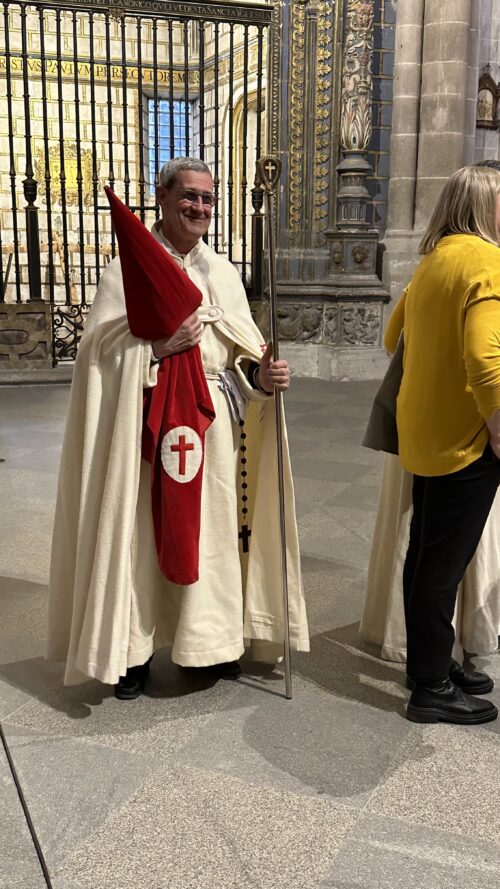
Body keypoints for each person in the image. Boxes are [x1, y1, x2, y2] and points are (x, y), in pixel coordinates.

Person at [47, 157, 309, 698]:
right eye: (188, 196)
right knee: (141, 535)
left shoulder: (224, 273)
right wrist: (155, 348)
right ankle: (132, 651)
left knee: (210, 537)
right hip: (147, 427)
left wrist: (264, 374)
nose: (199, 207)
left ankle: (206, 644)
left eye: (208, 199)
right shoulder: (128, 270)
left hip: (212, 428)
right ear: (161, 197)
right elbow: (95, 352)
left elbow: (240, 356)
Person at [363, 164, 500, 725]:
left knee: (425, 555)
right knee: (442, 565)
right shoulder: (489, 263)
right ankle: (431, 687)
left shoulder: (432, 263)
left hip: (422, 433)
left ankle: (430, 661)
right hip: (466, 439)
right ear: (485, 207)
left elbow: (391, 335)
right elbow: (487, 359)